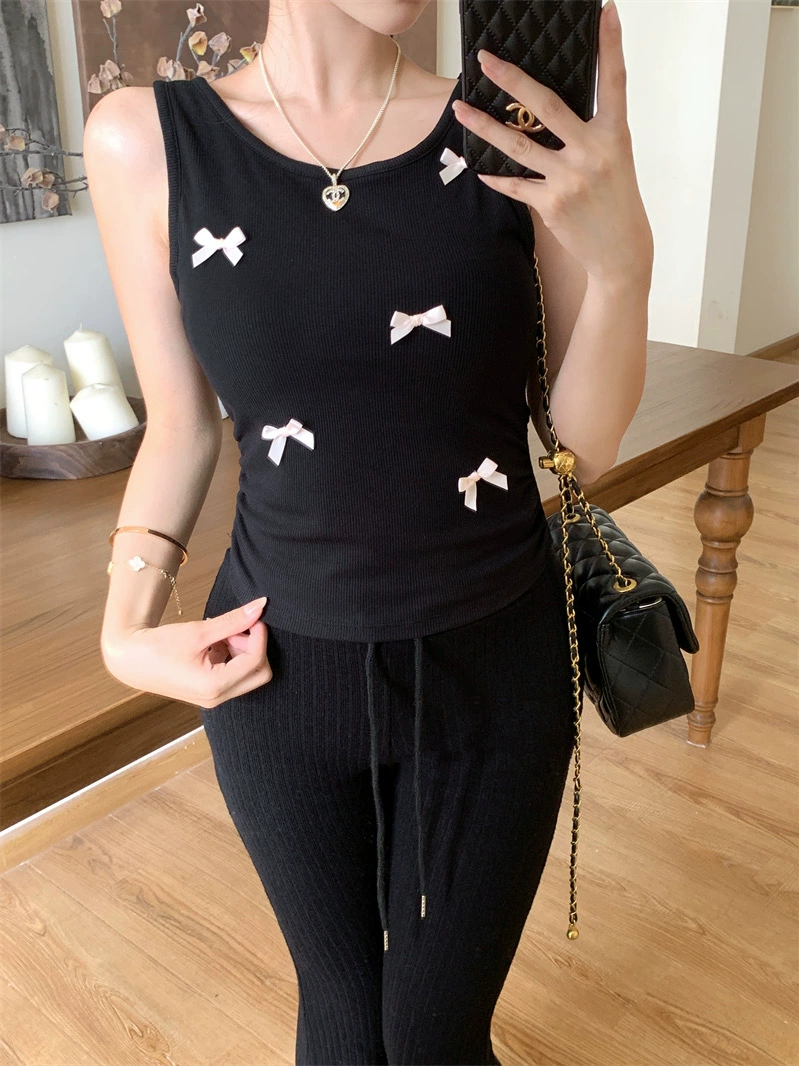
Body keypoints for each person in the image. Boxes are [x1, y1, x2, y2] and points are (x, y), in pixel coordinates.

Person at [85, 1, 652, 1062]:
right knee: (343, 1025)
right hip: (276, 676)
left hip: (497, 665)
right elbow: (179, 425)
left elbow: (581, 444)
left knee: (435, 1036)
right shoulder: (143, 140)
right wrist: (124, 630)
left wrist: (624, 268)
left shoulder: (507, 127)